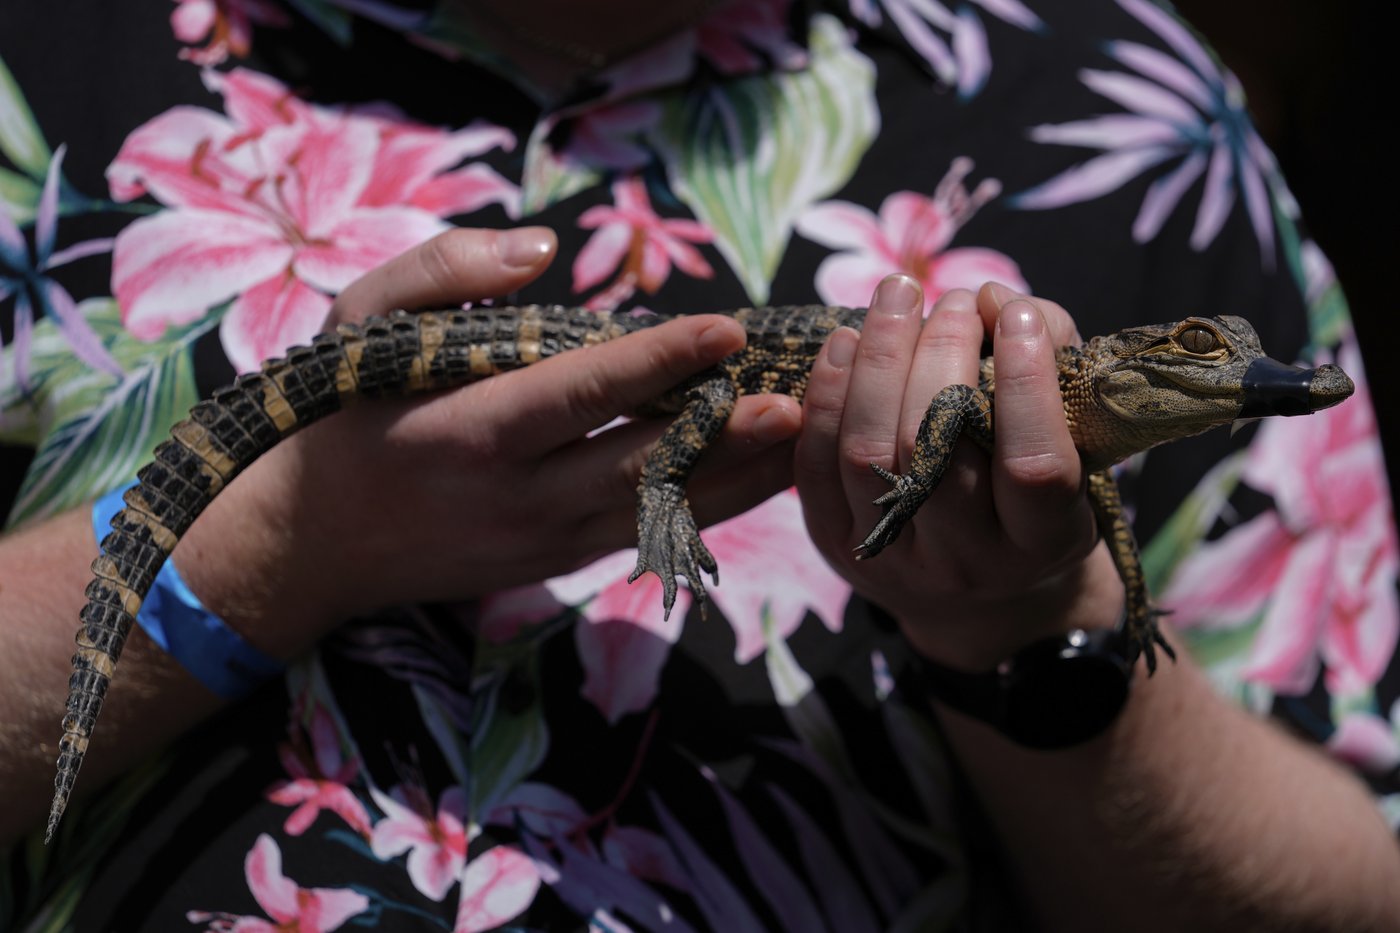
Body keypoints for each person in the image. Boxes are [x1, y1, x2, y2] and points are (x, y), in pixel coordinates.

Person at [2, 1, 1397, 929]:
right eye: (1209, 362)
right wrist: (303, 533)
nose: (1229, 381)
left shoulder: (1132, 110)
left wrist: (1033, 637)